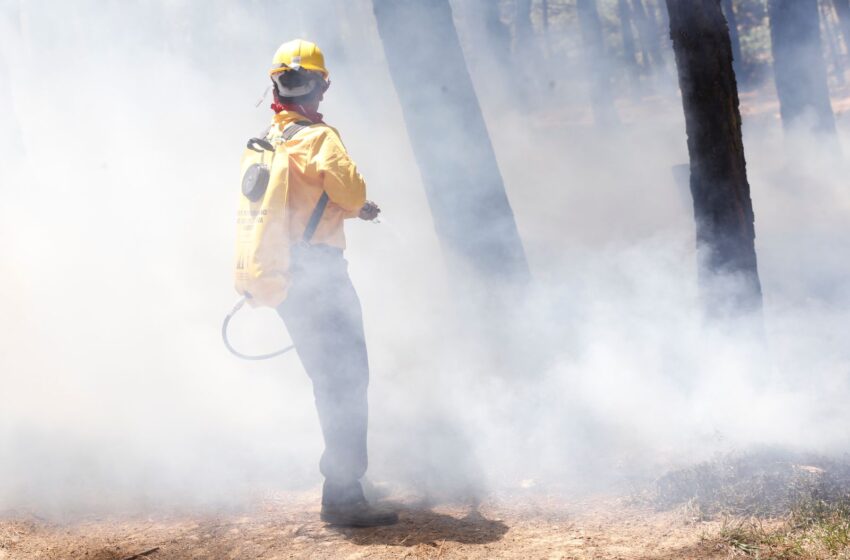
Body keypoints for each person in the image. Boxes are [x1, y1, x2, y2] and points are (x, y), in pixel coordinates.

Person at [266, 39, 397, 527]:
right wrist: (355, 204)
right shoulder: (319, 139)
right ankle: (342, 495)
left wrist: (347, 207)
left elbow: (306, 199)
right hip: (320, 273)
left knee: (328, 380)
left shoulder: (268, 139)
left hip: (283, 276)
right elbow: (350, 189)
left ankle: (342, 484)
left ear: (275, 86)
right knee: (346, 381)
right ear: (322, 86)